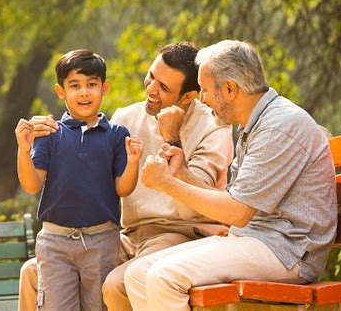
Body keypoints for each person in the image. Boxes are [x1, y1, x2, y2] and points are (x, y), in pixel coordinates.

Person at [18, 42, 234, 311]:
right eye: (151, 76)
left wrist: (172, 137)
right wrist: (44, 137)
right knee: (32, 272)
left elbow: (190, 208)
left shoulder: (213, 129)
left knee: (114, 284)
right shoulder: (126, 118)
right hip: (126, 236)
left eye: (164, 87)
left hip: (178, 236)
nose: (151, 89)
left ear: (188, 96)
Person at [124, 40, 338, 310]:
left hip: (287, 252)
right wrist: (182, 174)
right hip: (255, 240)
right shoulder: (255, 125)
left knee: (164, 277)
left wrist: (166, 183)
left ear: (229, 89)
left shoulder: (278, 126)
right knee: (138, 274)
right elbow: (235, 199)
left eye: (204, 89)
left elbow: (237, 212)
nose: (201, 99)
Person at [14, 49, 144, 311]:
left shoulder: (117, 135)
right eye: (75, 86)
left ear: (104, 87)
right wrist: (22, 148)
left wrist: (133, 162)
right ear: (60, 91)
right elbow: (31, 185)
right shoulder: (49, 133)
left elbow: (123, 188)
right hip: (55, 243)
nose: (84, 92)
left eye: (92, 84)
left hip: (102, 241)